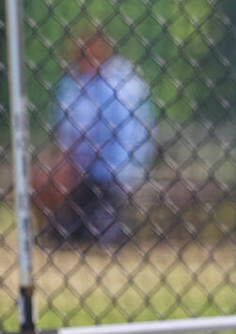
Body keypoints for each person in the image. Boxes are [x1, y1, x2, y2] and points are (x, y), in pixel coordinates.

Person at [47, 26, 155, 247]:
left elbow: (117, 140)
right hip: (83, 173)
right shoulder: (74, 84)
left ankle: (106, 223)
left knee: (98, 236)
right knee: (47, 183)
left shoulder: (123, 85)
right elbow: (66, 135)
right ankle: (60, 222)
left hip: (114, 174)